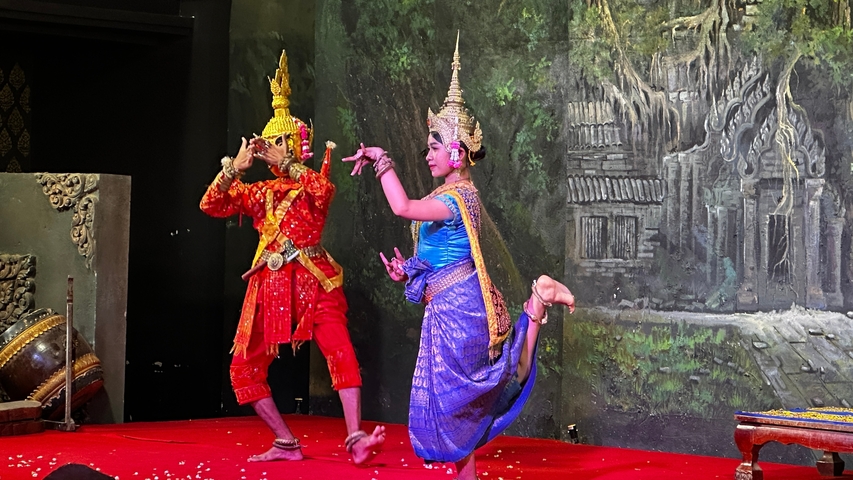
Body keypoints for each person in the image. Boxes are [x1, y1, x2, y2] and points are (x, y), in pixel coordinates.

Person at [343, 34, 576, 480]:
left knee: (490, 383)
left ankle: (538, 301)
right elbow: (436, 251)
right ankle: (466, 475)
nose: (427, 154)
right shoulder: (447, 195)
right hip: (443, 309)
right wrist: (407, 270)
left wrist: (381, 160)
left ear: (456, 151)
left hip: (461, 310)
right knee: (457, 403)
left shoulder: (459, 199)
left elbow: (402, 207)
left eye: (433, 146)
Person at [200, 50, 384, 463]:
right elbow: (210, 205)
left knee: (340, 353)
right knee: (242, 369)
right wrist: (234, 168)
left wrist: (287, 163)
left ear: (298, 144)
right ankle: (285, 441)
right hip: (270, 286)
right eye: (272, 144)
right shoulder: (260, 193)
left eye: (284, 143)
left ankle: (355, 438)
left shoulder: (312, 183)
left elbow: (325, 192)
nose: (277, 150)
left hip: (315, 283)